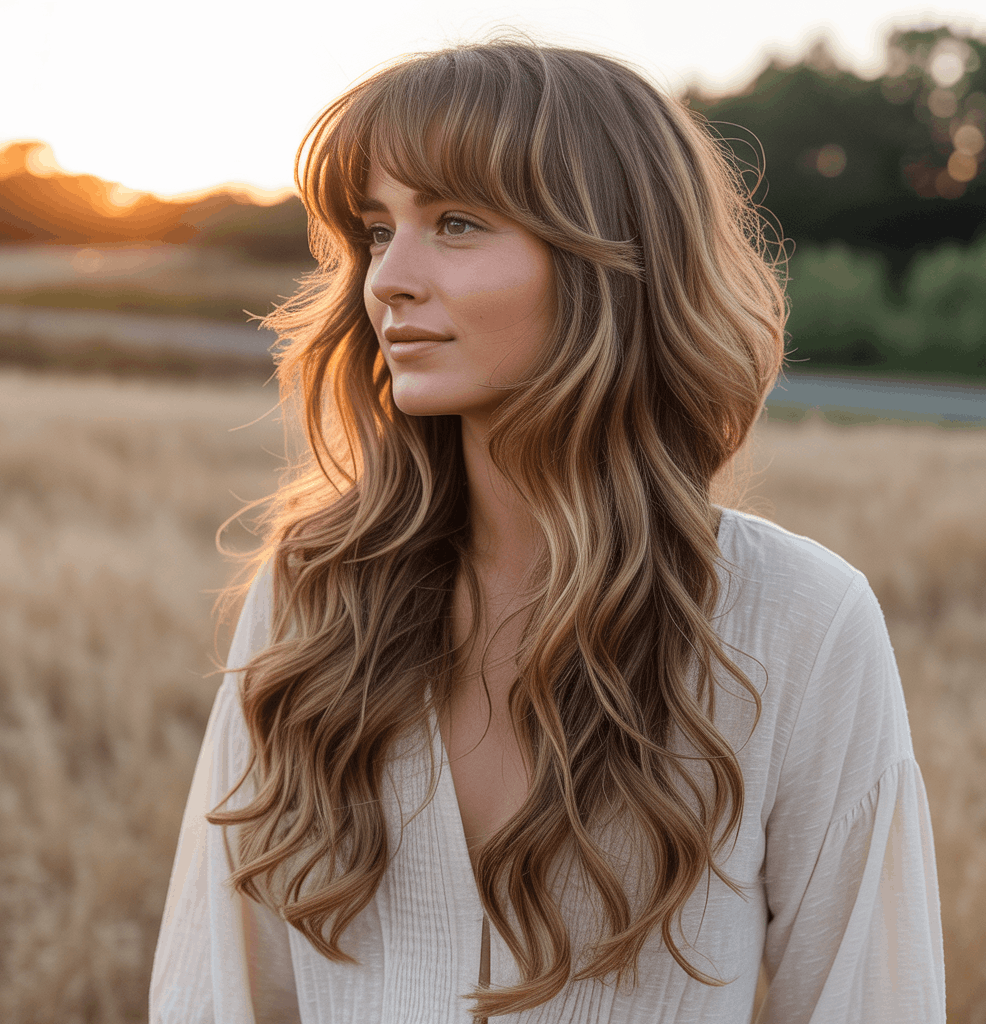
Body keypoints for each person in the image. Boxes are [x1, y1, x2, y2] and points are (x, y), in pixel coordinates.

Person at [149, 36, 945, 1024]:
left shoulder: (799, 618)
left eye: (455, 221)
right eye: (374, 229)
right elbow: (214, 988)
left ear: (608, 258)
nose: (387, 278)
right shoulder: (315, 590)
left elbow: (869, 1000)